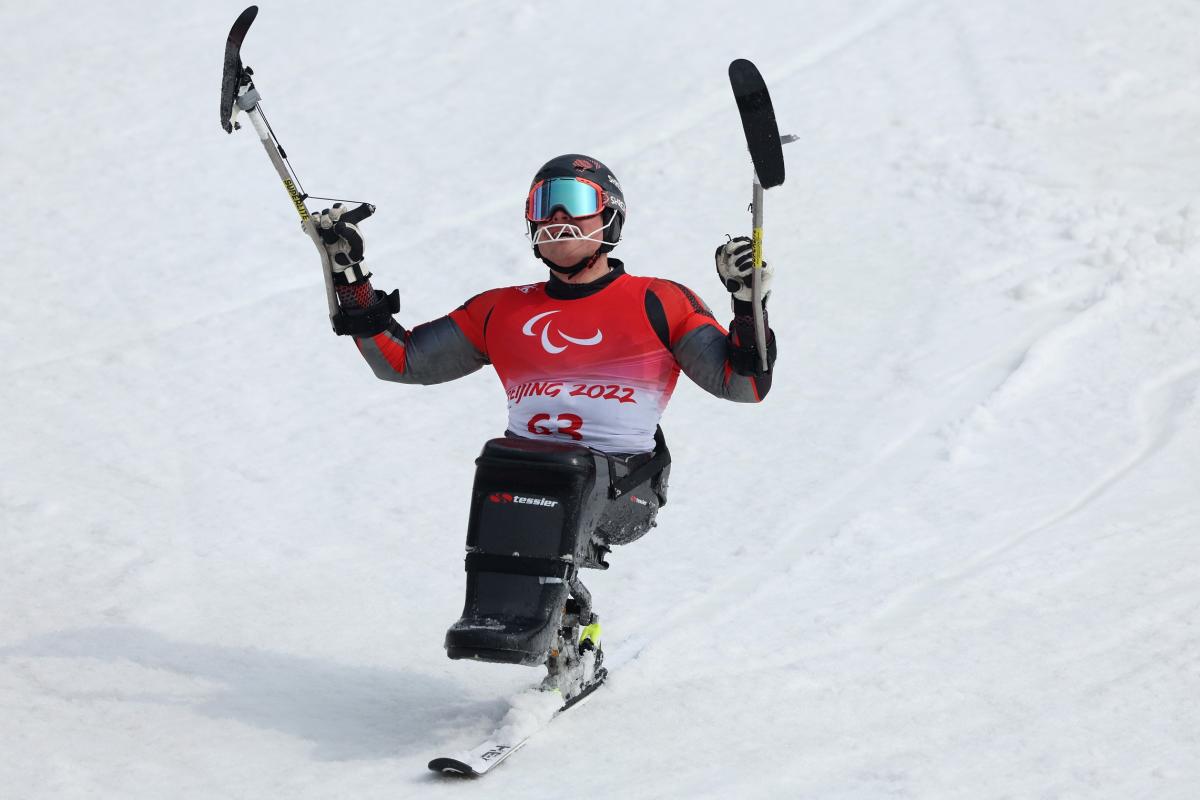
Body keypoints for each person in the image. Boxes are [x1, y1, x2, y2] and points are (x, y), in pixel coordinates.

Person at [313, 154, 776, 670]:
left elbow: (743, 385)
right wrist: (348, 275)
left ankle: (550, 622)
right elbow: (401, 361)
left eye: (575, 202)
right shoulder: (500, 309)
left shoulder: (658, 300)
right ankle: (526, 620)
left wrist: (745, 306)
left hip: (627, 490)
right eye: (543, 203)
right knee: (507, 463)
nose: (557, 216)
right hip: (526, 476)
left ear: (610, 219)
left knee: (560, 469)